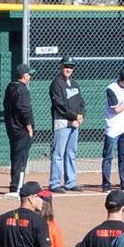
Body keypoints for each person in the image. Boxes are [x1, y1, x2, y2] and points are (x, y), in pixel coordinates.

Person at [48, 59, 84, 192]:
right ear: (61, 67)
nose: (69, 69)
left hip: (75, 123)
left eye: (71, 67)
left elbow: (81, 101)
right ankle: (55, 183)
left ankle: (70, 182)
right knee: (58, 153)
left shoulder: (74, 83)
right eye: (66, 66)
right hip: (62, 123)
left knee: (71, 153)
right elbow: (59, 105)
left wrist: (80, 115)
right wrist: (74, 116)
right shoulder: (56, 83)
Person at [4, 64, 37, 195]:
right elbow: (24, 109)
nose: (30, 76)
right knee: (21, 158)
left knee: (16, 157)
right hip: (21, 129)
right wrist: (29, 127)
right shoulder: (22, 89)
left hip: (12, 128)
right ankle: (17, 187)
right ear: (24, 76)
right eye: (29, 74)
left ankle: (15, 185)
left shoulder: (10, 86)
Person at [100, 70, 124, 192]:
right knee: (108, 157)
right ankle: (106, 185)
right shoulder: (111, 88)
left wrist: (123, 106)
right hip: (113, 127)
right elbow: (116, 109)